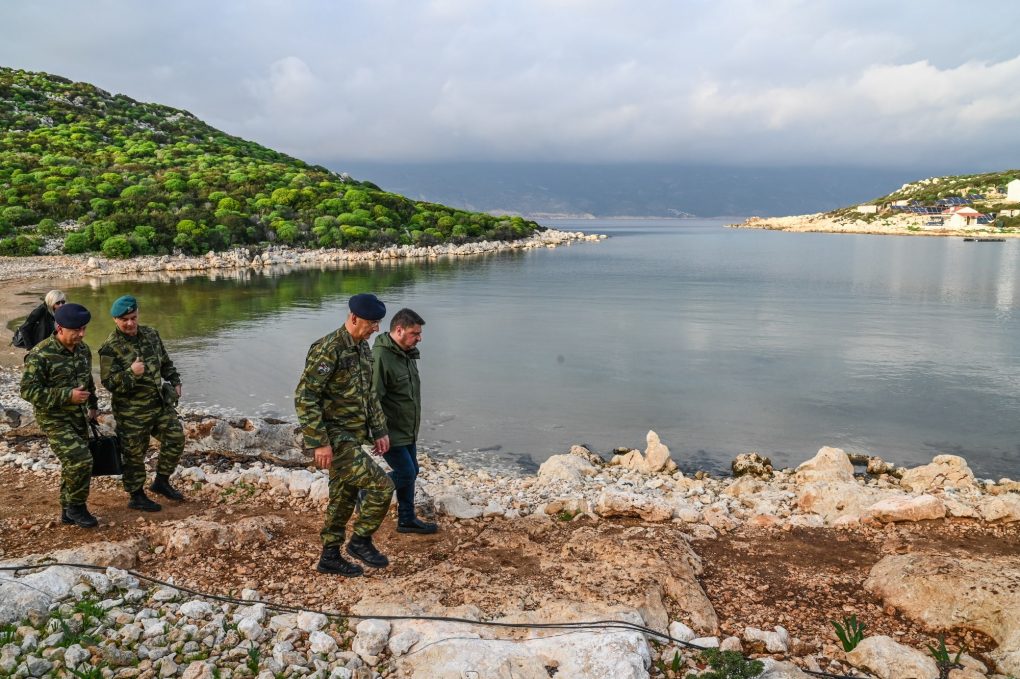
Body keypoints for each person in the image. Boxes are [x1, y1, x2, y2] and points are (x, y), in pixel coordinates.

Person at [295, 293, 394, 577]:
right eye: (372, 322)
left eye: (378, 322)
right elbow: (305, 397)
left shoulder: (362, 348)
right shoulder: (329, 349)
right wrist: (319, 442)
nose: (376, 328)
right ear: (354, 318)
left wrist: (379, 430)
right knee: (382, 486)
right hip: (335, 438)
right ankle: (360, 541)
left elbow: (369, 394)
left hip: (353, 436)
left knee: (343, 496)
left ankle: (329, 556)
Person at [98, 295, 186, 513]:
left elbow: (165, 362)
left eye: (133, 317)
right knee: (134, 454)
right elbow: (109, 383)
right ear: (115, 320)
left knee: (175, 438)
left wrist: (175, 381)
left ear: (138, 314)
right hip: (131, 412)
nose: (130, 323)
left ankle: (161, 482)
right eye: (124, 319)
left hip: (159, 404)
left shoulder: (151, 334)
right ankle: (136, 495)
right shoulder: (110, 347)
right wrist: (131, 373)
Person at [19, 303, 100, 527]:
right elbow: (28, 391)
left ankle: (66, 511)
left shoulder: (83, 350)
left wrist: (93, 405)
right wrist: (67, 395)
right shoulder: (41, 354)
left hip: (78, 416)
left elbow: (88, 380)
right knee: (80, 459)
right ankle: (76, 507)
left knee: (72, 462)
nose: (81, 334)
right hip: (53, 418)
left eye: (84, 329)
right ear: (60, 328)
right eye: (76, 330)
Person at [372, 308, 437, 534]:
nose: (419, 338)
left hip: (407, 429)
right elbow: (372, 398)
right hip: (390, 432)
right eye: (414, 333)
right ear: (399, 330)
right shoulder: (381, 357)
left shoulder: (406, 353)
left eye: (419, 333)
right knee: (407, 473)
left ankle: (406, 520)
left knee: (412, 471)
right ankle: (366, 491)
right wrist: (378, 432)